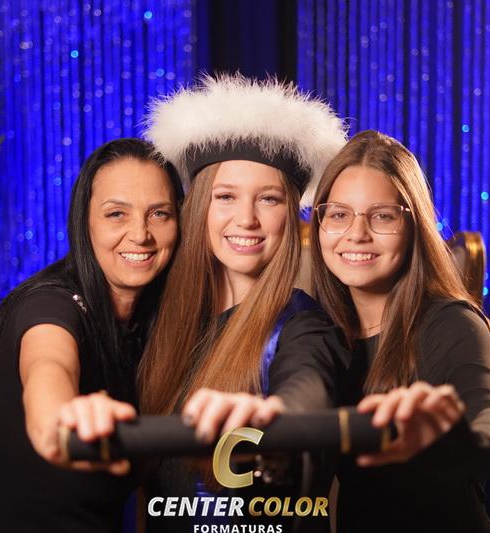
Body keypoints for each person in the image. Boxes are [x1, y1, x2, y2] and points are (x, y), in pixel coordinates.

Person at [0, 138, 183, 533]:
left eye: (159, 213)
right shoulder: (50, 304)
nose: (140, 234)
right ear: (84, 222)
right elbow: (48, 366)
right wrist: (61, 421)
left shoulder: (152, 324)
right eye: (116, 214)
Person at [139, 74, 348, 533]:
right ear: (199, 206)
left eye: (268, 199)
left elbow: (308, 388)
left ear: (291, 214)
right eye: (226, 196)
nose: (247, 219)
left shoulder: (303, 328)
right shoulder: (164, 319)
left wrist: (279, 422)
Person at [309, 129, 490, 532]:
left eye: (382, 216)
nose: (357, 234)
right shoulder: (320, 334)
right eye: (339, 214)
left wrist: (457, 440)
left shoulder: (450, 323)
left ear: (414, 226)